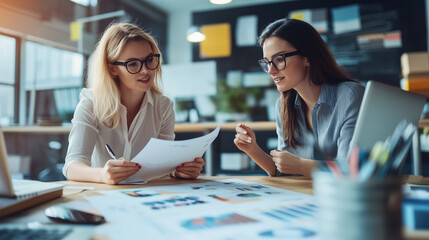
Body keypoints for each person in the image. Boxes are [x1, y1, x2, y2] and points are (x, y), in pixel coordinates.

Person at [62, 23, 205, 184]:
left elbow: (161, 163)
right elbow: (72, 166)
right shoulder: (91, 103)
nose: (146, 70)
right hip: (103, 196)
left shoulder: (163, 106)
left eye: (150, 60)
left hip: (148, 195)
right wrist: (103, 174)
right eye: (133, 64)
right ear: (112, 69)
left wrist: (178, 171)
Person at [234, 18, 364, 177]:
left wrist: (302, 166)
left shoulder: (350, 96)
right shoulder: (283, 105)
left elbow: (351, 170)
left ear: (307, 57)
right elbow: (284, 171)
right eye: (267, 63)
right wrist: (252, 149)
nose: (271, 71)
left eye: (279, 59)